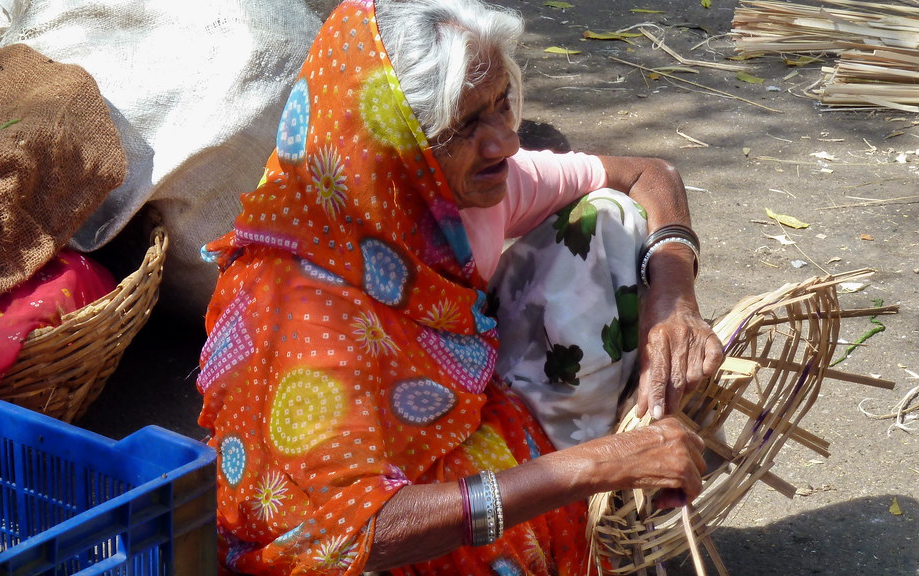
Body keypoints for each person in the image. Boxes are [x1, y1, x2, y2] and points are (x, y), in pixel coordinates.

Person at [196, 0, 724, 573]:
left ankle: (602, 468)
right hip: (352, 532)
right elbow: (359, 532)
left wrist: (673, 294)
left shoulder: (458, 193)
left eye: (503, 106)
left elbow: (650, 173)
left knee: (610, 218)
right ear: (396, 150)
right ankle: (598, 476)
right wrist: (597, 465)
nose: (505, 143)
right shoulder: (298, 300)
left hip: (450, 427)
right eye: (464, 126)